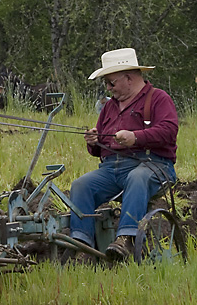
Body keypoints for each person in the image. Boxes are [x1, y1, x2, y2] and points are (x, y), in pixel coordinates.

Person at [70, 48, 178, 261]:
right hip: (111, 169)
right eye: (106, 84)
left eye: (111, 83)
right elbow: (100, 149)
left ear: (128, 78)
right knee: (81, 185)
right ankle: (82, 245)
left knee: (137, 178)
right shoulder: (109, 107)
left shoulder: (158, 98)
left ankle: (126, 240)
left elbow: (169, 130)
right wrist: (94, 141)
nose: (108, 89)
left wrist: (136, 137)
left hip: (152, 165)